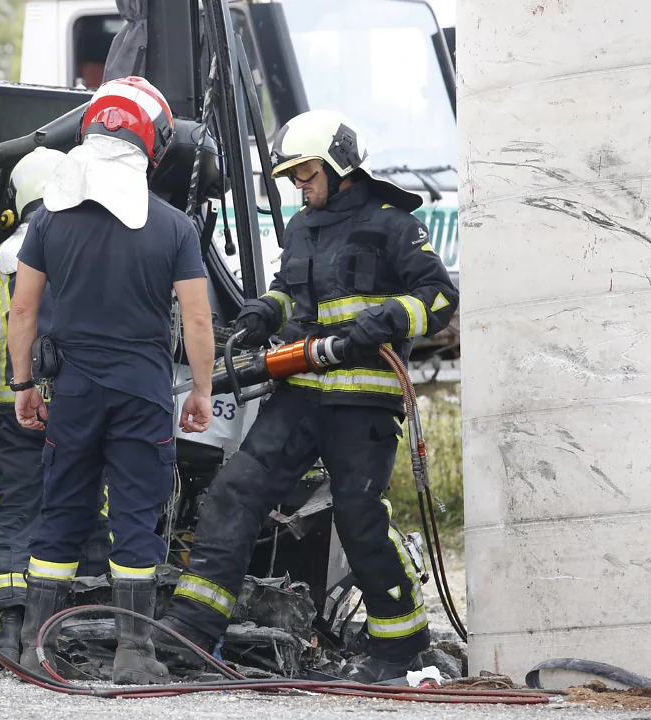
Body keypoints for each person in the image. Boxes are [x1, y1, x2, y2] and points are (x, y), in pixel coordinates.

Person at [154, 109, 460, 683]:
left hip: (362, 401)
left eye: (307, 172)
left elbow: (440, 296)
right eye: (292, 176)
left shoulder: (392, 223)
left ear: (341, 165)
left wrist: (387, 320)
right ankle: (190, 633)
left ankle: (401, 646)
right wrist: (259, 312)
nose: (300, 185)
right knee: (234, 493)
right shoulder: (301, 227)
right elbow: (291, 296)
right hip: (299, 393)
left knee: (358, 516)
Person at [5, 76, 216, 685]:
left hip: (71, 391)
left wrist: (23, 384)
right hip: (143, 393)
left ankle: (33, 651)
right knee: (135, 517)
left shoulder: (48, 220)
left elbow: (23, 311)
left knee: (60, 513)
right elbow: (197, 318)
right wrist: (200, 390)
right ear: (152, 142)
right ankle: (134, 654)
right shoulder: (174, 227)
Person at [0, 147, 112, 662]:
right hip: (76, 406)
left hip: (10, 404)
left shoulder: (4, 255)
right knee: (86, 511)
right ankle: (91, 627)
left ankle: (4, 633)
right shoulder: (89, 248)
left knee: (13, 515)